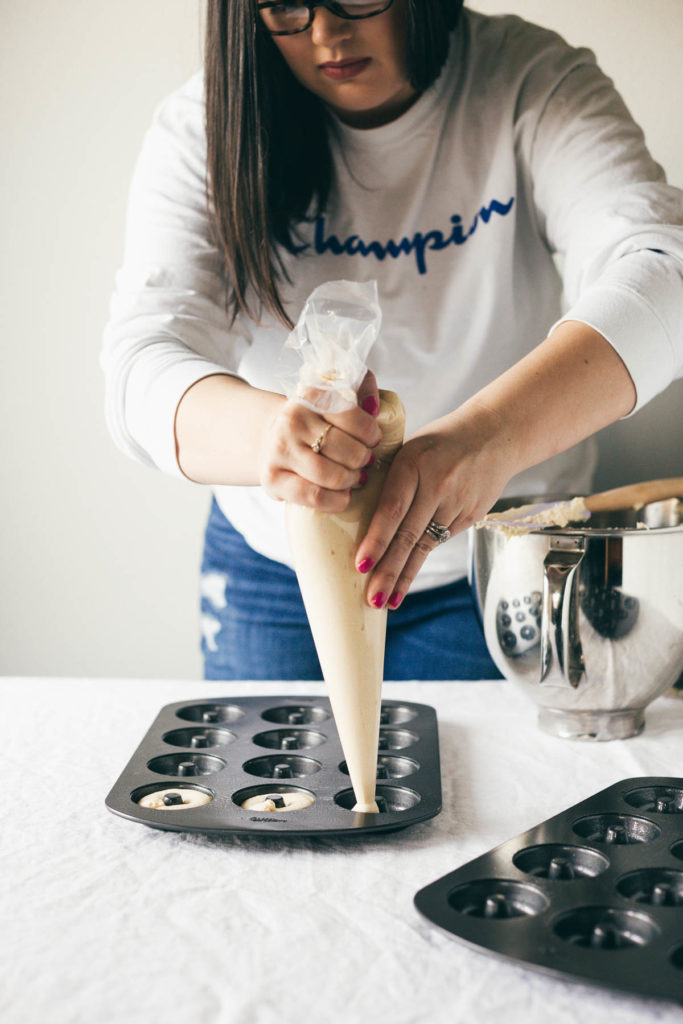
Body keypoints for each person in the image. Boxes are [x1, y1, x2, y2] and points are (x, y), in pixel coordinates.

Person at [102, 0, 683, 681]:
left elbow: (663, 275)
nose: (325, 32)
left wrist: (485, 438)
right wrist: (272, 440)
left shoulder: (526, 79)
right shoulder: (202, 128)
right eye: (286, 3)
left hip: (501, 551)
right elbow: (140, 361)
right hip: (275, 568)